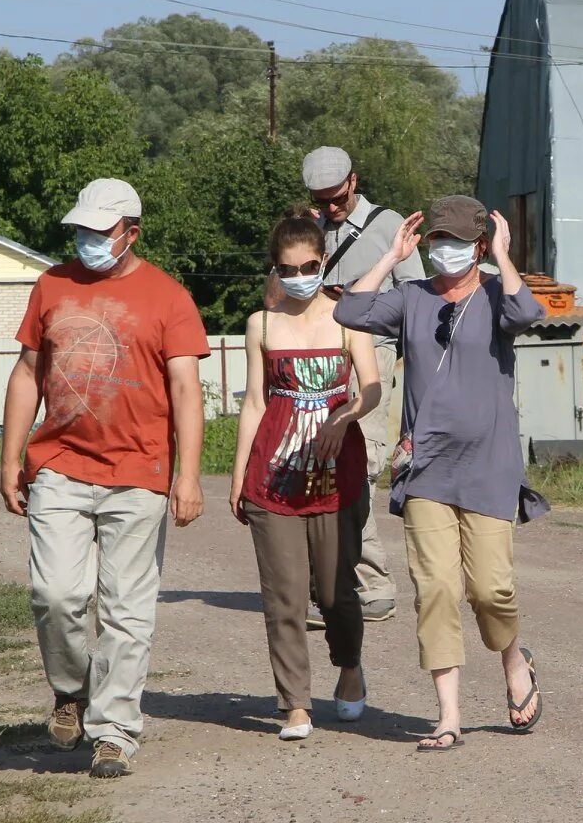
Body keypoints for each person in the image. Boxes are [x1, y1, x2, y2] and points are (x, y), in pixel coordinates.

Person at [0, 177, 208, 778]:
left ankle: (114, 731)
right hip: (60, 466)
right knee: (56, 595)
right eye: (82, 231)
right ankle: (71, 689)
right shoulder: (52, 285)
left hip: (139, 472)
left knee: (126, 611)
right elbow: (26, 374)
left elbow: (187, 392)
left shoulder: (168, 297)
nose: (89, 240)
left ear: (131, 233)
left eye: (102, 231)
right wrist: (10, 458)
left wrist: (187, 476)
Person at [334, 195, 545, 752]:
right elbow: (349, 312)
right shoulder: (410, 299)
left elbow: (528, 315)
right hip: (426, 469)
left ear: (478, 246)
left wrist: (503, 256)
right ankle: (448, 715)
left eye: (457, 242)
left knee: (490, 589)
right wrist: (388, 256)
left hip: (489, 468)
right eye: (437, 242)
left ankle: (512, 657)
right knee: (437, 589)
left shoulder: (500, 295)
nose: (445, 252)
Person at [229, 212, 381, 741]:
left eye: (310, 265)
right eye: (288, 268)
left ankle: (350, 665)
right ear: (276, 269)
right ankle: (295, 703)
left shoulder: (348, 318)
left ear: (323, 260)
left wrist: (346, 415)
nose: (300, 275)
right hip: (275, 478)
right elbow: (253, 403)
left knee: (338, 592)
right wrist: (238, 474)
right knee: (285, 594)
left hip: (339, 478)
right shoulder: (261, 325)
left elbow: (373, 387)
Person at [298, 146, 425, 625]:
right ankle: (330, 586)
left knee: (360, 464)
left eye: (336, 199)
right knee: (318, 466)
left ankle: (370, 583)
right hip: (316, 357)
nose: (330, 208)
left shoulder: (389, 225)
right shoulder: (313, 227)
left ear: (354, 181)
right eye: (320, 200)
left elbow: (416, 299)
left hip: (373, 352)